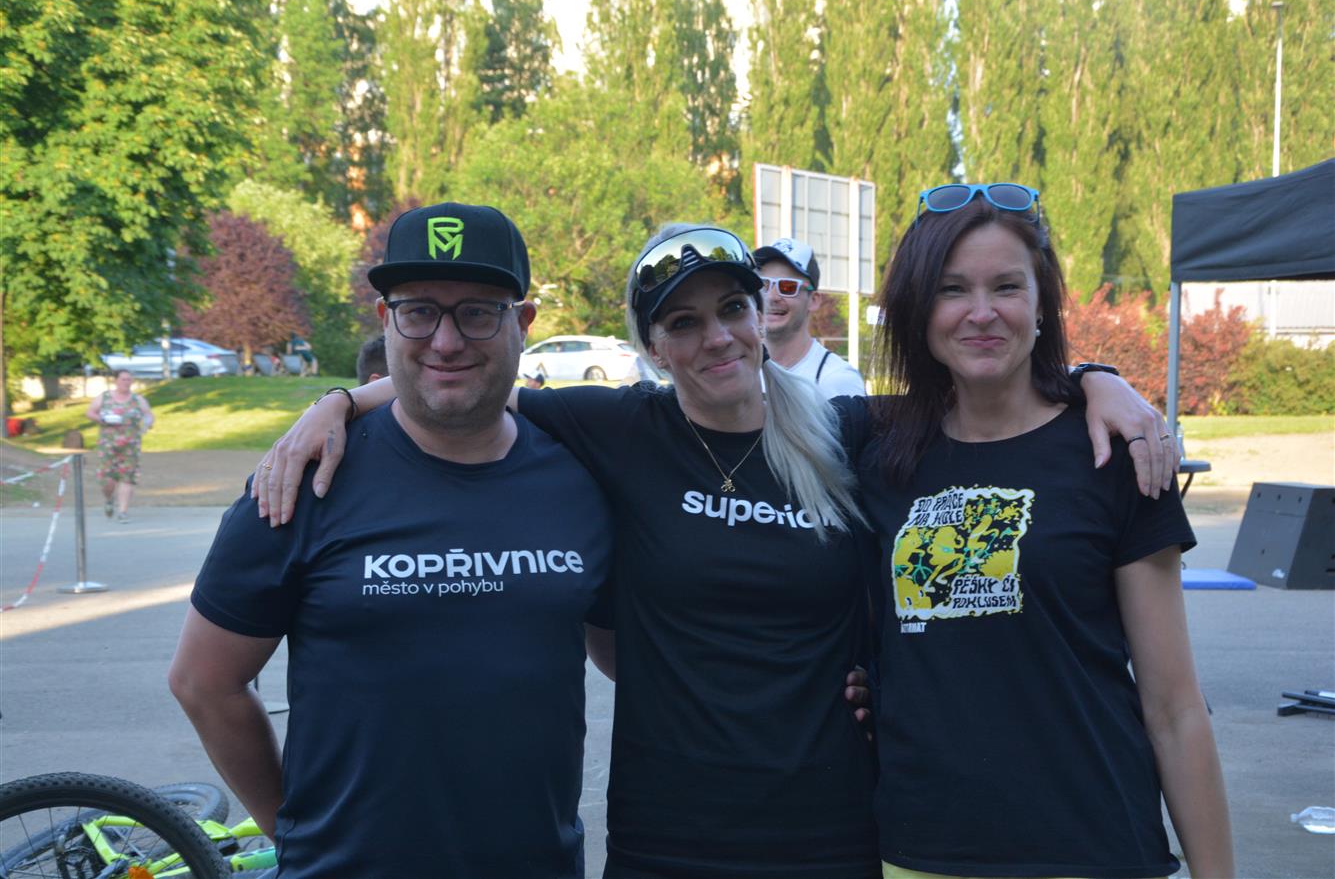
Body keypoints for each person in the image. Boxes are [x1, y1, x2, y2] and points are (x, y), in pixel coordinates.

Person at [255, 222, 1173, 878]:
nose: (716, 337)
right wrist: (336, 403)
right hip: (669, 831)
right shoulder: (618, 428)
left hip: (831, 825)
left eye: (731, 308)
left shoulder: (846, 430)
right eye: (682, 322)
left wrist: (1097, 380)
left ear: (761, 314)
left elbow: (991, 393)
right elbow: (466, 380)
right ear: (652, 346)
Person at [169, 202, 615, 877]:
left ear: (522, 323)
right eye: (419, 311)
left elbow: (630, 658)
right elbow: (205, 682)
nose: (445, 341)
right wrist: (297, 832)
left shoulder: (580, 477)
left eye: (477, 312)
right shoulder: (304, 478)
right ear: (385, 319)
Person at [853, 182, 1233, 878]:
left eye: (1006, 286)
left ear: (1040, 305)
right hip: (921, 850)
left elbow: (1174, 706)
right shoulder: (879, 452)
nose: (981, 313)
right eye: (951, 289)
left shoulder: (1112, 456)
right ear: (918, 308)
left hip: (1089, 844)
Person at [755, 237, 866, 398]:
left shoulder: (838, 380)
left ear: (813, 300)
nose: (771, 297)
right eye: (763, 284)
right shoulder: (740, 371)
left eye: (788, 287)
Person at [84, 369, 153, 522]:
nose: (126, 382)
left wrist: (147, 424)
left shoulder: (137, 399)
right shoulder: (105, 397)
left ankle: (123, 512)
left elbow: (148, 415)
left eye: (129, 379)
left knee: (127, 477)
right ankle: (109, 499)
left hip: (130, 445)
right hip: (108, 445)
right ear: (116, 380)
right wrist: (102, 419)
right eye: (123, 379)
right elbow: (90, 412)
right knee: (108, 480)